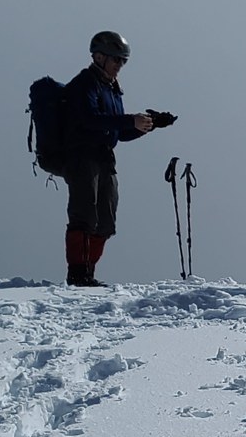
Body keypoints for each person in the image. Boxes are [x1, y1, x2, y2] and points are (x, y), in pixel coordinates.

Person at [61, 31, 172, 287]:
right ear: (99, 57)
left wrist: (150, 125)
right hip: (82, 154)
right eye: (116, 59)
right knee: (84, 213)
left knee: (106, 218)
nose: (119, 65)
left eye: (123, 61)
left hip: (104, 157)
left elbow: (118, 133)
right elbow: (89, 119)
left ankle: (87, 272)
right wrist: (130, 120)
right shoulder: (84, 84)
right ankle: (77, 274)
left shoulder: (112, 90)